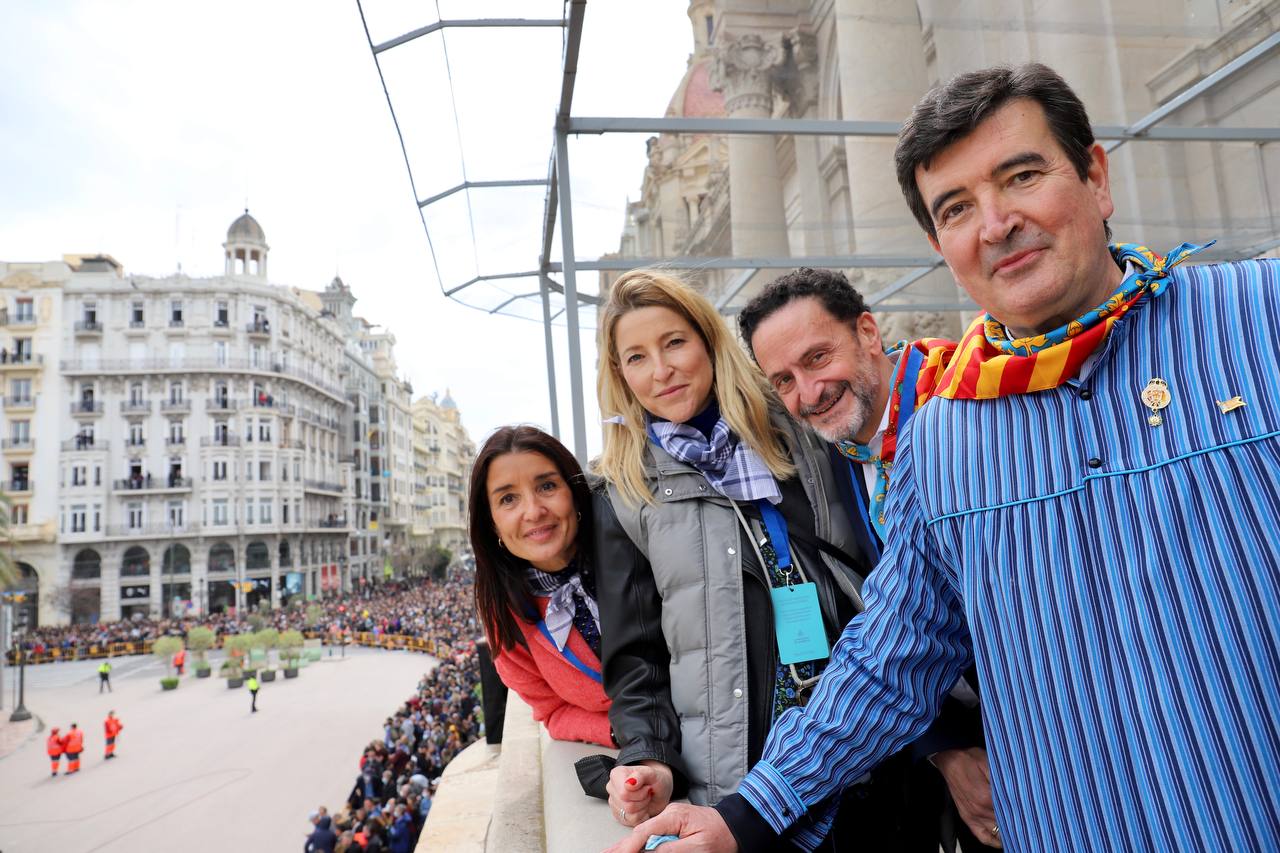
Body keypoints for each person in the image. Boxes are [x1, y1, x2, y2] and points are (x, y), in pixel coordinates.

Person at [609, 62, 1280, 853]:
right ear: (939, 243)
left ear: (1095, 177)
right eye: (957, 207)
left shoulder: (1256, 321)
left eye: (1022, 175)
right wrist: (743, 814)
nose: (995, 224)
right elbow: (890, 657)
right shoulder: (947, 435)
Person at [595, 270, 957, 850]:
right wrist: (649, 757)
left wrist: (938, 740)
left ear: (709, 342)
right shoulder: (624, 491)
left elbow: (881, 575)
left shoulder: (799, 426)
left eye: (674, 343)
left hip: (869, 742)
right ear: (620, 375)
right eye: (636, 357)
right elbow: (635, 655)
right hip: (743, 771)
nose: (660, 370)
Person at [738, 267, 999, 851]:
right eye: (783, 380)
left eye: (817, 358)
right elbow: (892, 624)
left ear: (868, 332)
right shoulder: (833, 460)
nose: (808, 393)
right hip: (961, 732)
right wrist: (946, 746)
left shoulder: (974, 400)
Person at [469, 425, 613, 748]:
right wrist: (617, 731)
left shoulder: (630, 556)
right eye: (508, 499)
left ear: (573, 491)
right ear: (491, 521)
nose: (533, 511)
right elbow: (553, 712)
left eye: (547, 486)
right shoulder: (504, 617)